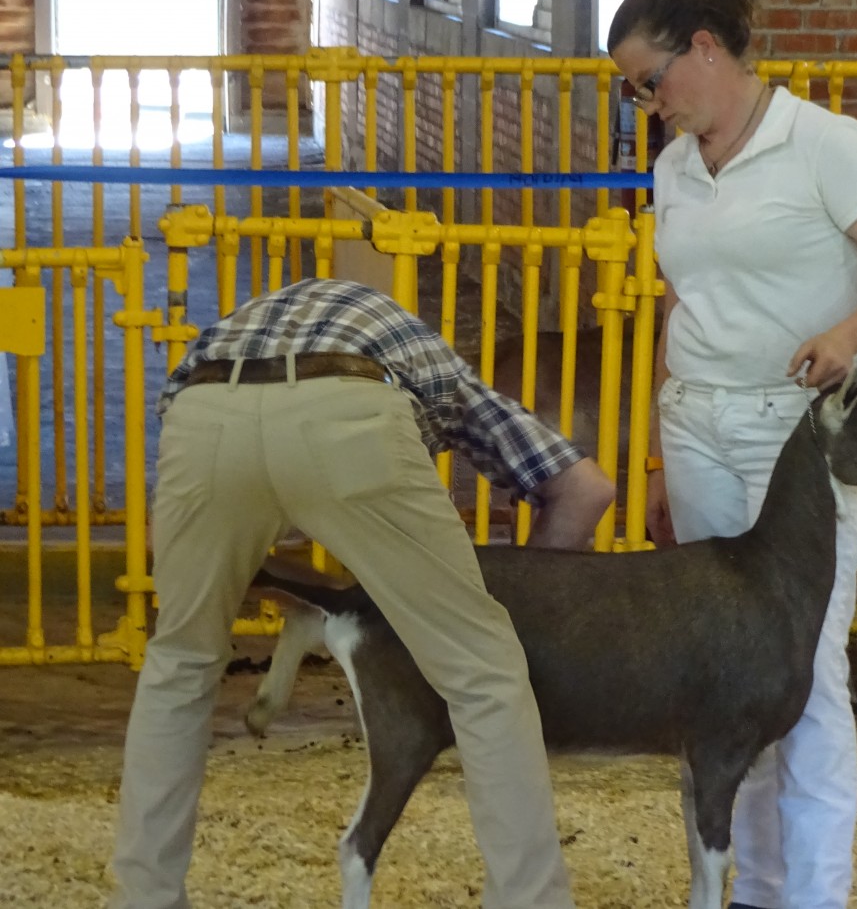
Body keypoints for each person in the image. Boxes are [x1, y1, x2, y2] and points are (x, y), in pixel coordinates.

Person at [607, 0, 857, 909]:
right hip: (699, 423)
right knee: (725, 681)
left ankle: (817, 894)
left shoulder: (826, 143)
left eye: (649, 82)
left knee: (806, 680)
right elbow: (685, 306)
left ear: (704, 48)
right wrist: (660, 461)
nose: (648, 104)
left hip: (797, 437)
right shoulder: (676, 167)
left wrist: (847, 333)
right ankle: (749, 887)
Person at [107, 276, 615, 909]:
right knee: (485, 673)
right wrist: (524, 600)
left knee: (179, 662)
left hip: (202, 411)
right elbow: (586, 490)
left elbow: (179, 507)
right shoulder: (442, 367)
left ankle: (143, 898)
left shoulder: (266, 319)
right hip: (348, 409)